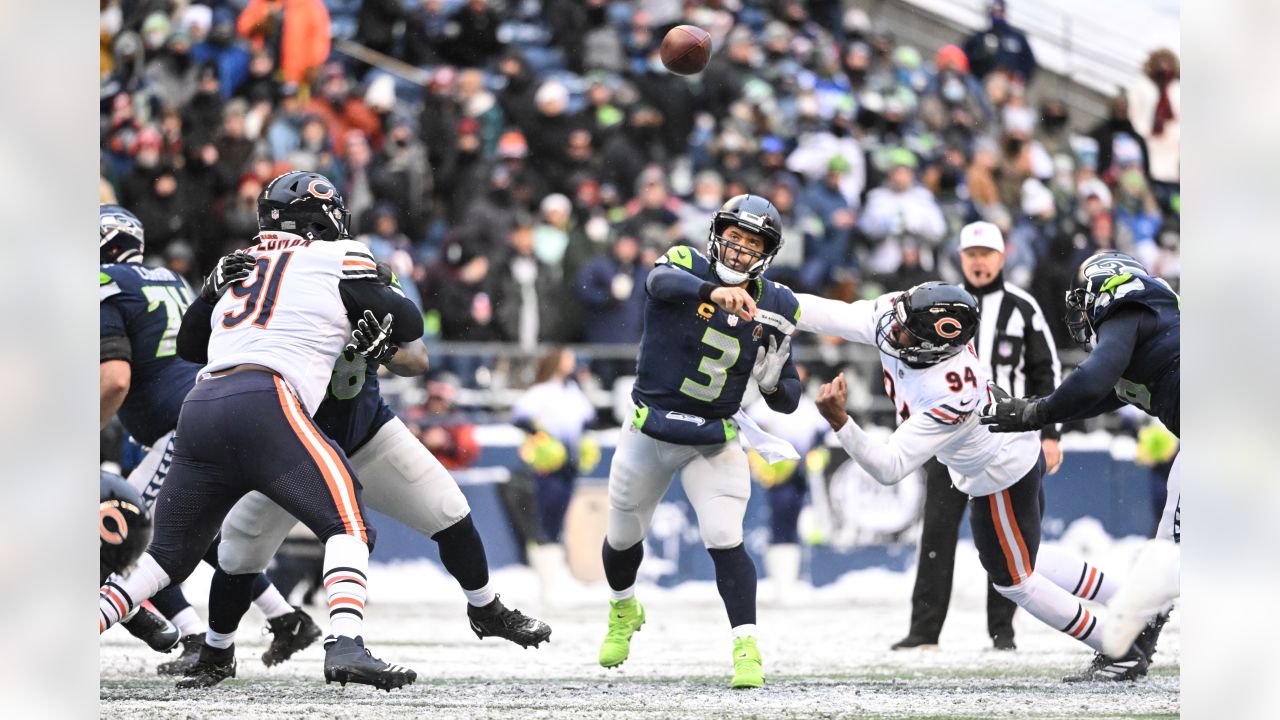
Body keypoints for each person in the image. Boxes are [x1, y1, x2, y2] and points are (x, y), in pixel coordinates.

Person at [97, 172, 420, 692]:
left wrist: (208, 295)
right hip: (266, 399)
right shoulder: (338, 256)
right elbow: (409, 325)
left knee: (164, 557)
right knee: (349, 524)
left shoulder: (240, 263)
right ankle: (346, 644)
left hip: (201, 405)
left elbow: (190, 347)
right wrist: (379, 292)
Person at [177, 261, 551, 688]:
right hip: (290, 443)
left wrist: (386, 350)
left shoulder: (364, 279)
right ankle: (217, 651)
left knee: (449, 510)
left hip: (364, 432)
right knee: (239, 552)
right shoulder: (279, 293)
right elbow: (204, 348)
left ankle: (486, 610)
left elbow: (418, 357)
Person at [798, 281, 1157, 681]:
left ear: (932, 346)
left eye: (904, 332)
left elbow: (890, 468)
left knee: (1014, 581)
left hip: (999, 472)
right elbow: (830, 313)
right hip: (1007, 454)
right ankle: (1138, 604)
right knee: (1028, 558)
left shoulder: (951, 388)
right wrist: (762, 296)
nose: (890, 332)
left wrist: (841, 423)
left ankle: (1118, 646)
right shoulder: (904, 320)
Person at [597, 195, 802, 689]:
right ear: (718, 235)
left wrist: (774, 380)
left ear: (766, 253)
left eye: (751, 243)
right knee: (623, 536)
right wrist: (714, 292)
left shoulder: (778, 303)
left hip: (712, 436)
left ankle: (746, 646)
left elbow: (788, 399)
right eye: (734, 237)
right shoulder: (686, 263)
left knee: (725, 536)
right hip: (651, 428)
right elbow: (658, 281)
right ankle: (624, 608)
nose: (738, 249)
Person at [99, 204, 314, 674]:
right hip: (205, 410)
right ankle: (282, 617)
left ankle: (184, 632)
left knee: (128, 528)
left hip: (178, 427)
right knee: (193, 532)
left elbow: (115, 379)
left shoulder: (105, 284)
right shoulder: (167, 279)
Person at [979, 251, 1180, 666]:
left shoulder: (1129, 309)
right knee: (1168, 554)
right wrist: (1033, 408)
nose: (1080, 307)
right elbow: (1093, 397)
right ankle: (1130, 647)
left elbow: (1092, 379)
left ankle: (1127, 648)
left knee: (1169, 558)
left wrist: (1036, 413)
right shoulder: (1149, 334)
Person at [891, 221, 1063, 652]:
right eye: (972, 254)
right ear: (961, 259)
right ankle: (924, 630)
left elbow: (1047, 370)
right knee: (937, 532)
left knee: (1009, 534)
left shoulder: (1022, 308)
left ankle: (1002, 630)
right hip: (948, 436)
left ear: (1002, 258)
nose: (979, 262)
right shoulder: (935, 304)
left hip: (1008, 438)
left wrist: (1051, 432)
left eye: (987, 254)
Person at [512, 348, 597, 599]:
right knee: (544, 520)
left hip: (569, 463)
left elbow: (588, 419)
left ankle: (553, 579)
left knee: (558, 519)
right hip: (548, 463)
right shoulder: (540, 393)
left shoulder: (572, 392)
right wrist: (542, 438)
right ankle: (543, 581)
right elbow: (521, 418)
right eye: (566, 358)